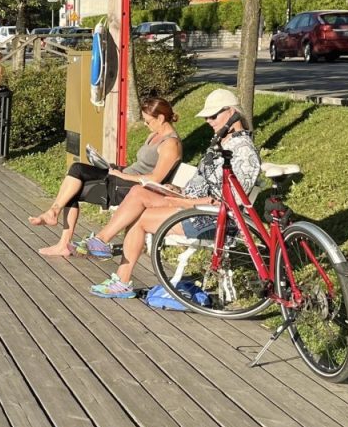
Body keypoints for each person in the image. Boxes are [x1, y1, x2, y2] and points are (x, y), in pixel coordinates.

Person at [86, 88, 262, 299]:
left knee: (140, 218)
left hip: (209, 217)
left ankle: (120, 277)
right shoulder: (222, 143)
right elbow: (206, 182)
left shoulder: (243, 150)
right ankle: (102, 242)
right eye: (207, 116)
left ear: (232, 113)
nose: (208, 120)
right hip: (192, 203)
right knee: (137, 192)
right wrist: (178, 191)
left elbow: (228, 201)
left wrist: (188, 202)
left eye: (213, 115)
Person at [30, 97, 183, 257]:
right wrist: (116, 168)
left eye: (148, 121)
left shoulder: (170, 144)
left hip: (130, 188)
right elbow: (141, 167)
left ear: (160, 118)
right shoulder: (154, 135)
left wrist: (121, 174)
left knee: (73, 186)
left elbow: (155, 179)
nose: (145, 124)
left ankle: (58, 229)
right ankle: (55, 219)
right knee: (75, 172)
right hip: (123, 178)